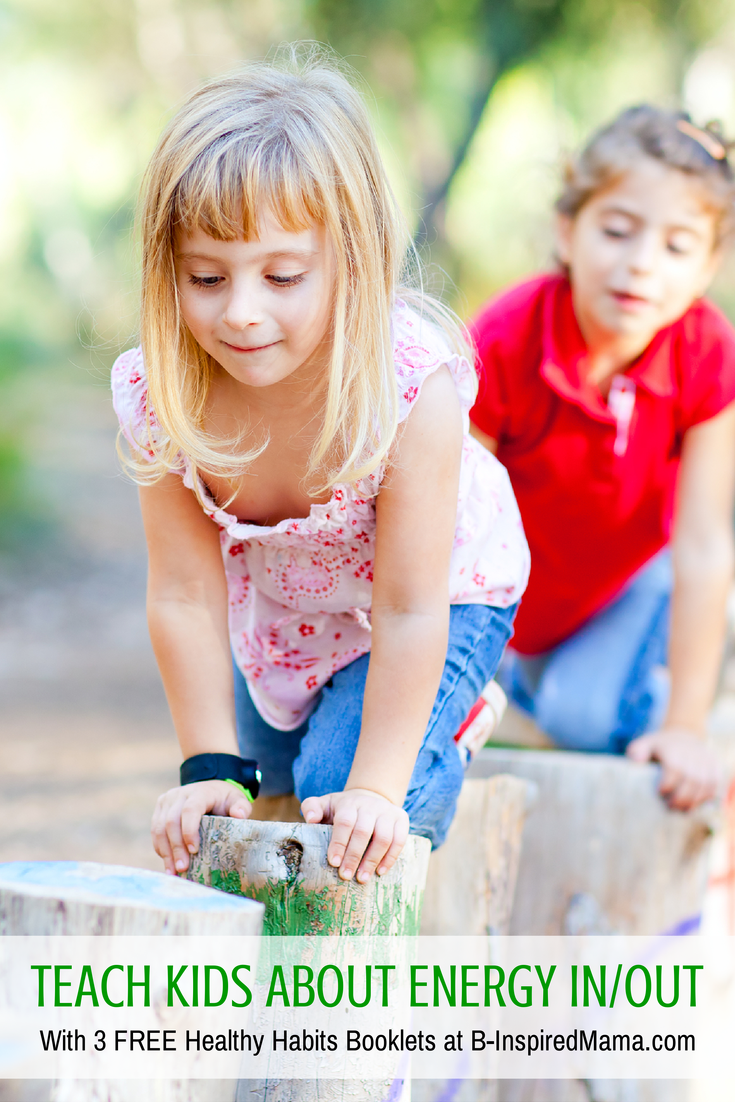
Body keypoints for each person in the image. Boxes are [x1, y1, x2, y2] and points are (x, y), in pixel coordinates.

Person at [112, 50, 529, 885]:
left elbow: (412, 607)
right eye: (205, 276)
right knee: (254, 806)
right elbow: (186, 594)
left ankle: (451, 724)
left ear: (353, 258)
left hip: (438, 599)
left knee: (341, 804)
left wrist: (377, 787)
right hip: (285, 611)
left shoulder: (409, 387)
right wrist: (207, 767)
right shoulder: (162, 395)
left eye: (282, 276)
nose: (240, 312)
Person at [470, 105, 735, 811]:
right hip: (513, 596)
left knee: (582, 719)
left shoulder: (706, 352)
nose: (641, 262)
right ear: (568, 229)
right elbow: (448, 528)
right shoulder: (503, 339)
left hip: (633, 585)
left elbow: (705, 543)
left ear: (708, 266)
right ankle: (537, 676)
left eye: (678, 246)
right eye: (617, 231)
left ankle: (702, 713)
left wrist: (683, 726)